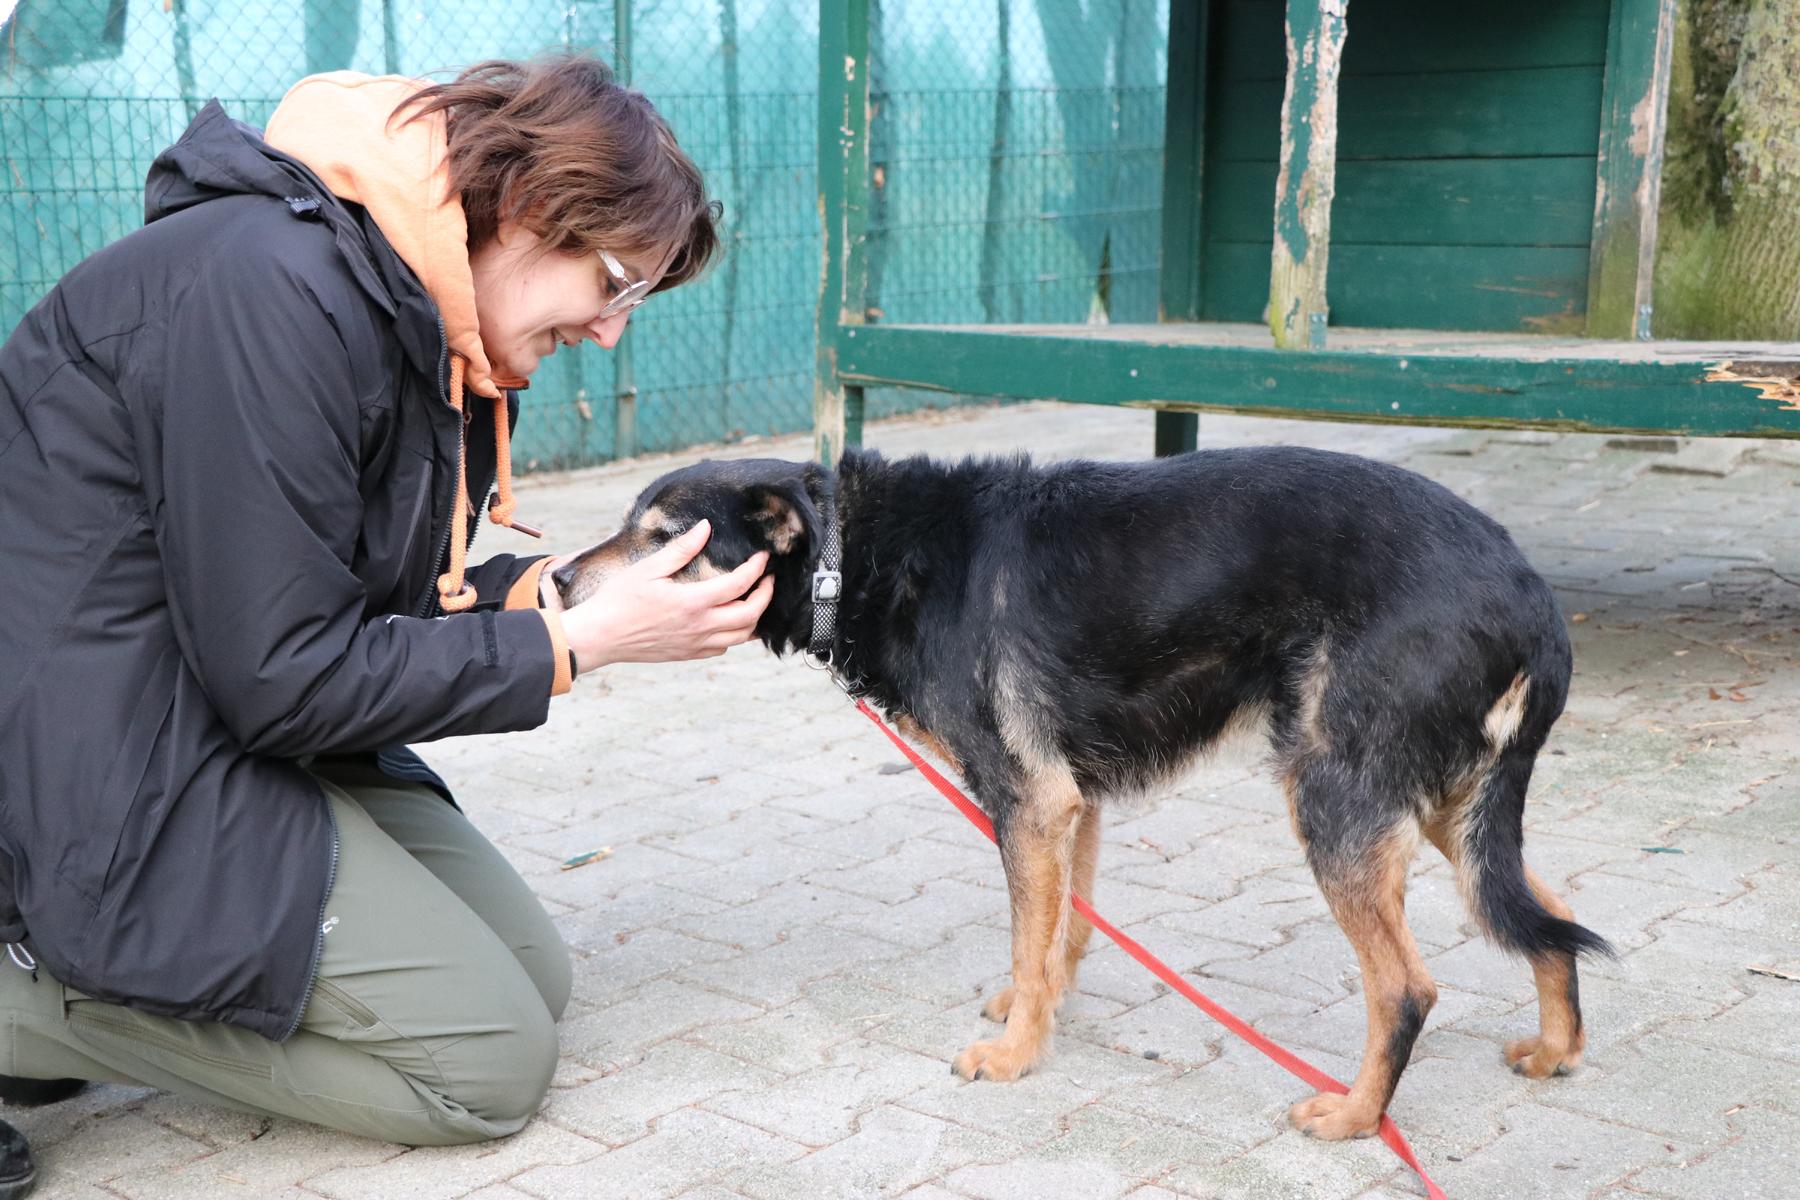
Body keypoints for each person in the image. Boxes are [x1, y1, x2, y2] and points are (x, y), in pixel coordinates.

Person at [0, 52, 771, 1173]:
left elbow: (348, 588)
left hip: (201, 708)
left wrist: (562, 599)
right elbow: (284, 670)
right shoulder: (273, 290)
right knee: (486, 1067)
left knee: (534, 978)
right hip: (98, 760)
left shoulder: (399, 308)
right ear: (528, 209)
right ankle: (27, 998)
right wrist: (573, 648)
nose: (612, 330)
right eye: (616, 281)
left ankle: (97, 988)